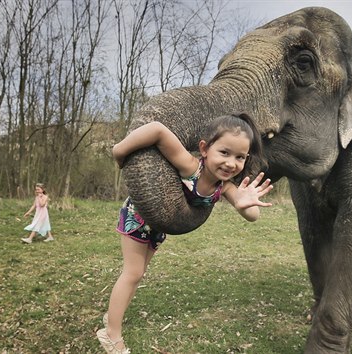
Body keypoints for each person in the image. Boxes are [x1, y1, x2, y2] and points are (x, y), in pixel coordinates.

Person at [97, 113, 273, 354]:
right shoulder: (191, 167)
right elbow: (158, 130)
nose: (231, 163)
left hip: (159, 226)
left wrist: (245, 203)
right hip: (139, 216)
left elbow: (253, 216)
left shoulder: (225, 187)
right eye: (224, 152)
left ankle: (112, 319)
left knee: (138, 274)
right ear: (204, 149)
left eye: (240, 157)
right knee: (133, 272)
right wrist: (119, 151)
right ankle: (111, 335)